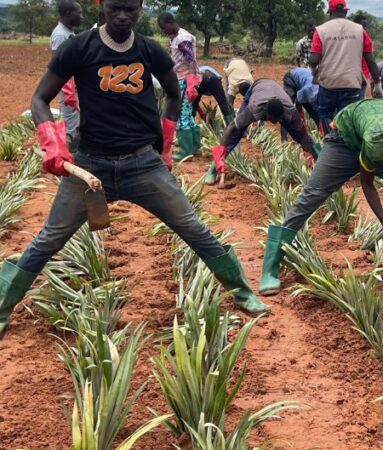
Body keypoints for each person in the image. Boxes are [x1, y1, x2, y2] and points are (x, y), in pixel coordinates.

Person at [0, 0, 269, 339]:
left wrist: (165, 143)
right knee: (48, 239)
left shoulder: (149, 50)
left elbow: (174, 94)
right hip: (89, 165)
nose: (123, 15)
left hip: (142, 164)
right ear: (103, 6)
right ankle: (2, 306)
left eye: (131, 8)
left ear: (140, 8)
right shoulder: (78, 47)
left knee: (193, 228)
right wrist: (52, 142)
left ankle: (242, 291)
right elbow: (39, 99)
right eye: (116, 8)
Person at [257, 100, 383, 295]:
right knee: (312, 195)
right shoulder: (377, 140)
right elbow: (367, 184)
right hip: (345, 142)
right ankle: (270, 267)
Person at [206, 78, 320, 185]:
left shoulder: (289, 111)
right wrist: (219, 155)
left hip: (275, 90)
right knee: (237, 134)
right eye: (273, 119)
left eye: (278, 120)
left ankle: (320, 160)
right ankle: (214, 168)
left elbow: (303, 134)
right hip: (257, 88)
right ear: (265, 113)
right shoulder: (253, 108)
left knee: (297, 134)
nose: (275, 123)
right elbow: (231, 128)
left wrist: (308, 153)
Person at [310, 0, 383, 133]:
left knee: (325, 114)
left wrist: (314, 69)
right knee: (348, 119)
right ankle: (346, 148)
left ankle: (328, 142)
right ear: (345, 11)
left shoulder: (320, 31)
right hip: (351, 84)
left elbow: (313, 59)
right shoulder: (360, 30)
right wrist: (377, 84)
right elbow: (370, 59)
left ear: (330, 11)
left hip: (328, 84)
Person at [158, 12, 201, 161]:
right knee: (188, 113)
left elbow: (190, 59)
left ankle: (185, 151)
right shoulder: (178, 37)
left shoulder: (182, 38)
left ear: (171, 23)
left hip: (184, 79)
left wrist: (190, 77)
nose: (164, 31)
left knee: (182, 113)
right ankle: (194, 147)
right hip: (186, 77)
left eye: (164, 28)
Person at [50, 0, 83, 152]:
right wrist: (70, 94)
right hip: (69, 90)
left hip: (75, 88)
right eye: (79, 13)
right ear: (69, 14)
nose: (82, 17)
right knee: (71, 128)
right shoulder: (60, 35)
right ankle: (67, 161)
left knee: (77, 125)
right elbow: (61, 66)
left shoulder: (69, 33)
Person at [282, 67, 321, 137]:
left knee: (315, 113)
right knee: (287, 108)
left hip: (305, 83)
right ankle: (284, 139)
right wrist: (300, 115)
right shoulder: (310, 90)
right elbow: (298, 100)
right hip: (291, 78)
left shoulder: (325, 92)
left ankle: (321, 133)